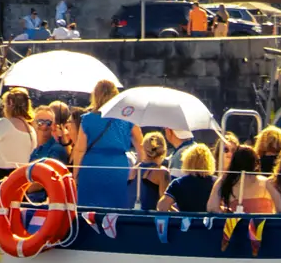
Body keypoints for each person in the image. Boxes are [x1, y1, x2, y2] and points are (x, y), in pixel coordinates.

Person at [73, 79, 145, 209]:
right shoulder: (127, 118)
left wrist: (75, 174)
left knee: (88, 208)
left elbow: (79, 150)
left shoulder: (87, 119)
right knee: (116, 206)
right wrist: (137, 167)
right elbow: (141, 146)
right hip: (118, 166)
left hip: (92, 166)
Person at [209, 145, 276, 214]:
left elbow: (212, 207)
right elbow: (280, 208)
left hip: (237, 223)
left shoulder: (227, 182)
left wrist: (225, 211)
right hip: (264, 224)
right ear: (256, 163)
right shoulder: (266, 183)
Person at [155, 142, 215, 213]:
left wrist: (179, 214)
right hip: (210, 223)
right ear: (209, 162)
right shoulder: (216, 183)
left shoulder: (178, 183)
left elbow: (161, 207)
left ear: (187, 160)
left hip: (185, 223)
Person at [131, 131, 171, 211]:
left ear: (143, 148)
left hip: (131, 218)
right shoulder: (162, 172)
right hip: (151, 220)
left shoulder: (133, 170)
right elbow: (164, 207)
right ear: (163, 150)